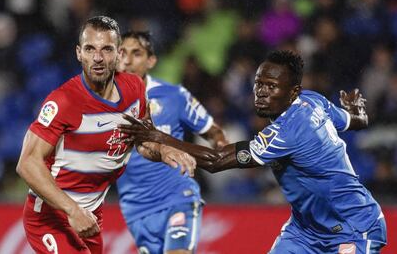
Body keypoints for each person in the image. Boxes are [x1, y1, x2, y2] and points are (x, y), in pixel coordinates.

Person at [120, 50, 387, 253]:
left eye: (271, 87)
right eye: (259, 83)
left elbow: (215, 160)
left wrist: (157, 136)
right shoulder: (313, 100)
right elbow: (356, 120)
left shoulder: (287, 130)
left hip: (354, 227)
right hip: (306, 230)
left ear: (293, 92)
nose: (261, 92)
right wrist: (358, 108)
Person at [16, 16, 196, 254]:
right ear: (79, 53)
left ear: (119, 54)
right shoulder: (64, 101)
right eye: (90, 49)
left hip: (89, 215)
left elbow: (143, 141)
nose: (98, 58)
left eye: (106, 49)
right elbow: (27, 163)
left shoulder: (134, 89)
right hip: (52, 215)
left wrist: (163, 149)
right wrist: (73, 210)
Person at [116, 31, 228, 254]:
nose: (127, 61)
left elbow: (211, 130)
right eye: (122, 53)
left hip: (177, 197)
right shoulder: (103, 102)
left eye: (136, 53)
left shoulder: (174, 95)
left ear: (151, 60)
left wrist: (220, 143)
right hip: (136, 210)